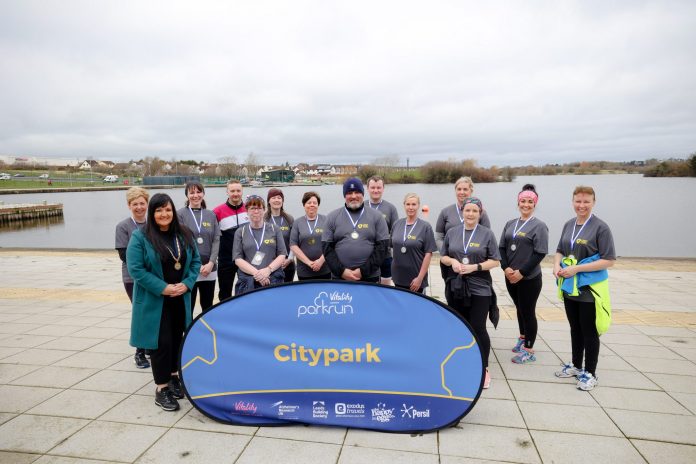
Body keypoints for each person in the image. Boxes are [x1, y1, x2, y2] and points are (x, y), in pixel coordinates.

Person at [127, 193, 201, 412]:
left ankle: (174, 377)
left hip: (180, 298)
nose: (164, 214)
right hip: (155, 301)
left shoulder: (184, 234)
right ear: (152, 213)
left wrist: (187, 283)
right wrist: (163, 288)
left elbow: (195, 261)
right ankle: (161, 389)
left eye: (167, 209)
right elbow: (136, 270)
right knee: (161, 344)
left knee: (179, 339)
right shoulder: (140, 237)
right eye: (159, 210)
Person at [553, 186, 615, 391]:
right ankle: (576, 365)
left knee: (589, 331)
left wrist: (576, 269)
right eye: (578, 201)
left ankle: (590, 372)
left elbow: (608, 260)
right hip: (571, 287)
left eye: (586, 201)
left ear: (593, 202)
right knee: (575, 328)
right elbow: (560, 250)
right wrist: (556, 266)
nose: (582, 205)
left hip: (589, 288)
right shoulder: (568, 224)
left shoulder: (600, 227)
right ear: (573, 202)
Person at [440, 197, 500, 389]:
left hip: (480, 287)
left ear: (480, 213)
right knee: (460, 327)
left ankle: (484, 369)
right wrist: (453, 263)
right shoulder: (452, 232)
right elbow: (444, 256)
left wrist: (476, 267)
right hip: (457, 287)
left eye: (475, 211)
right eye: (467, 210)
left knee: (478, 327)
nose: (471, 214)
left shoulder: (487, 234)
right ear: (462, 212)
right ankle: (464, 363)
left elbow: (496, 261)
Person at [499, 184, 549, 364]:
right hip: (510, 276)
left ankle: (529, 349)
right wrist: (505, 268)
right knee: (519, 309)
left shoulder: (539, 226)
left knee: (528, 311)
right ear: (518, 202)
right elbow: (502, 248)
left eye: (530, 202)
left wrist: (522, 272)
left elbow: (540, 252)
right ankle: (522, 337)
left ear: (535, 204)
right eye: (523, 201)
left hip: (529, 278)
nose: (526, 205)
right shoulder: (510, 223)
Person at [322, 177, 389, 282]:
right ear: (344, 195)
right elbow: (327, 249)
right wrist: (342, 271)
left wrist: (363, 271)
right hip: (340, 277)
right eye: (349, 193)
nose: (353, 196)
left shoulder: (377, 216)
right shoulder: (332, 217)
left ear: (363, 194)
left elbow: (382, 248)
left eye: (357, 192)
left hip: (370, 277)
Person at [114, 187, 151, 369]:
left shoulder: (153, 224)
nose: (139, 207)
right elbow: (124, 255)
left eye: (142, 203)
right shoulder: (123, 226)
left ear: (147, 204)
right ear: (129, 205)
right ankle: (139, 352)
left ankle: (150, 345)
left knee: (152, 311)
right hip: (133, 278)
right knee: (141, 313)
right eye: (135, 204)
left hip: (154, 277)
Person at [435, 176, 491, 282]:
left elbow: (486, 238)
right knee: (451, 293)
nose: (462, 192)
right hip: (450, 263)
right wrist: (448, 255)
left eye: (465, 189)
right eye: (459, 189)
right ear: (455, 191)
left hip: (473, 262)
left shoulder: (481, 212)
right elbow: (439, 237)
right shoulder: (445, 212)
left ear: (471, 191)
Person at [177, 181, 221, 315]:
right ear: (187, 195)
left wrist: (211, 262)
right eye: (192, 192)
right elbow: (181, 242)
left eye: (198, 192)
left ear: (203, 194)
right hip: (190, 269)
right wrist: (195, 265)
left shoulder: (211, 214)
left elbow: (216, 240)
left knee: (207, 307)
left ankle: (206, 334)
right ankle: (188, 334)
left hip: (209, 268)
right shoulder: (180, 215)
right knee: (187, 307)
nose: (195, 195)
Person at [233, 195, 287, 295]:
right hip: (248, 281)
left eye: (259, 208)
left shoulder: (275, 229)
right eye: (252, 208)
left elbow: (282, 254)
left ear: (264, 209)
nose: (256, 211)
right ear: (247, 211)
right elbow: (238, 259)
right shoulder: (240, 232)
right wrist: (257, 274)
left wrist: (268, 270)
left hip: (272, 278)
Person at [391, 193, 437, 293]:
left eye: (413, 204)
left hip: (415, 279)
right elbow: (392, 248)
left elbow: (428, 254)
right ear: (404, 205)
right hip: (398, 277)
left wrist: (420, 278)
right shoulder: (397, 224)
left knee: (416, 307)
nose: (410, 207)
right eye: (408, 204)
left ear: (418, 206)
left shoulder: (425, 227)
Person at [213, 180, 249, 301]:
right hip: (225, 259)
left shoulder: (249, 209)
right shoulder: (217, 211)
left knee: (245, 291)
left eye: (238, 190)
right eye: (232, 191)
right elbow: (212, 236)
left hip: (246, 259)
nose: (235, 193)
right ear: (227, 192)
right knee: (225, 293)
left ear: (242, 191)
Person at [365, 176, 399, 285]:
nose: (376, 190)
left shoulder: (391, 208)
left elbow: (395, 233)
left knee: (385, 287)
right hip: (365, 255)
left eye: (379, 187)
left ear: (383, 188)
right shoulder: (361, 206)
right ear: (367, 188)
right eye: (373, 187)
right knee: (368, 286)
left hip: (385, 255)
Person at [290, 191, 331, 280]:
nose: (312, 205)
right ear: (304, 205)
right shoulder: (297, 223)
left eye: (315, 203)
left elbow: (331, 243)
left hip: (324, 269)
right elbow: (293, 245)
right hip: (304, 271)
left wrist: (320, 261)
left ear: (318, 205)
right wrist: (309, 263)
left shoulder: (326, 220)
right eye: (309, 202)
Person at [264, 188, 295, 282]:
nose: (276, 200)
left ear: (282, 201)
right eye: (273, 198)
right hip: (269, 265)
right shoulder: (264, 219)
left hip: (287, 264)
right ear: (269, 201)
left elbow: (293, 241)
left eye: (279, 198)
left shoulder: (289, 218)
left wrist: (289, 259)